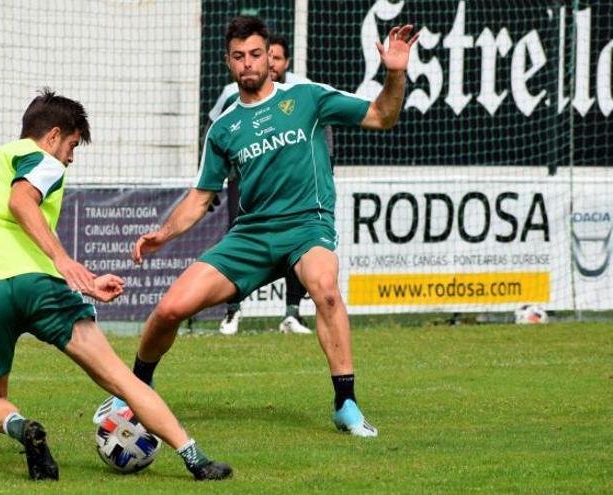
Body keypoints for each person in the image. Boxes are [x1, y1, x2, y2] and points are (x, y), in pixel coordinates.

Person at [95, 16, 417, 437]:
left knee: (324, 287)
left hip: (307, 225)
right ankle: (136, 389)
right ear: (228, 62)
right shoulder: (224, 128)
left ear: (270, 58)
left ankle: (346, 405)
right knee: (170, 308)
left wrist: (395, 73)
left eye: (255, 54)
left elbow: (382, 116)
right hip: (250, 236)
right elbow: (200, 197)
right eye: (238, 56)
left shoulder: (307, 97)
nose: (248, 63)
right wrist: (163, 234)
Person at [0, 88, 232, 481]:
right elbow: (21, 201)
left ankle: (22, 428)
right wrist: (63, 261)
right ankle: (196, 458)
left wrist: (88, 284)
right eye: (72, 144)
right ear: (53, 136)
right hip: (39, 287)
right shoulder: (41, 159)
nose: (71, 157)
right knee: (121, 379)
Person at [209, 34, 328, 336]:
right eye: (265, 56)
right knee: (238, 243)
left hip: (294, 190)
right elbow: (213, 132)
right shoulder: (230, 93)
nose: (269, 63)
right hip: (244, 183)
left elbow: (322, 132)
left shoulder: (301, 90)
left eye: (274, 57)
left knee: (299, 248)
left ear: (284, 62)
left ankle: (292, 313)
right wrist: (212, 181)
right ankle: (232, 314)